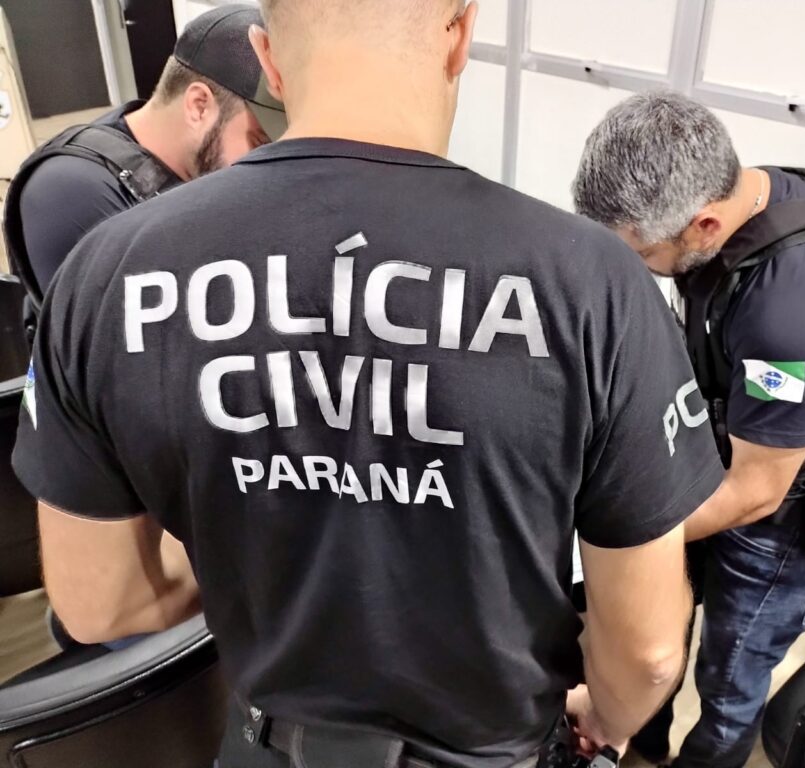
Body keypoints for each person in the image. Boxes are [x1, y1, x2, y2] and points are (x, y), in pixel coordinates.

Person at [13, 5, 725, 768]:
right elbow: (649, 652)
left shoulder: (107, 271)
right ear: (458, 35)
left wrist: (258, 537)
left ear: (270, 59)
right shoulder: (595, 283)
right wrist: (607, 716)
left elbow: (99, 604)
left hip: (269, 745)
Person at [573, 91, 805, 768]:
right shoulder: (747, 194)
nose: (635, 269)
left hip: (789, 534)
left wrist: (612, 532)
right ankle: (640, 741)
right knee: (665, 616)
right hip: (735, 464)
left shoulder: (789, 317)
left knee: (730, 682)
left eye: (642, 253)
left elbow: (756, 492)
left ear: (704, 223)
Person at [3, 3, 286, 329]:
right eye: (259, 142)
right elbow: (149, 342)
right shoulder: (70, 191)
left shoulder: (197, 174)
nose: (269, 166)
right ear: (199, 106)